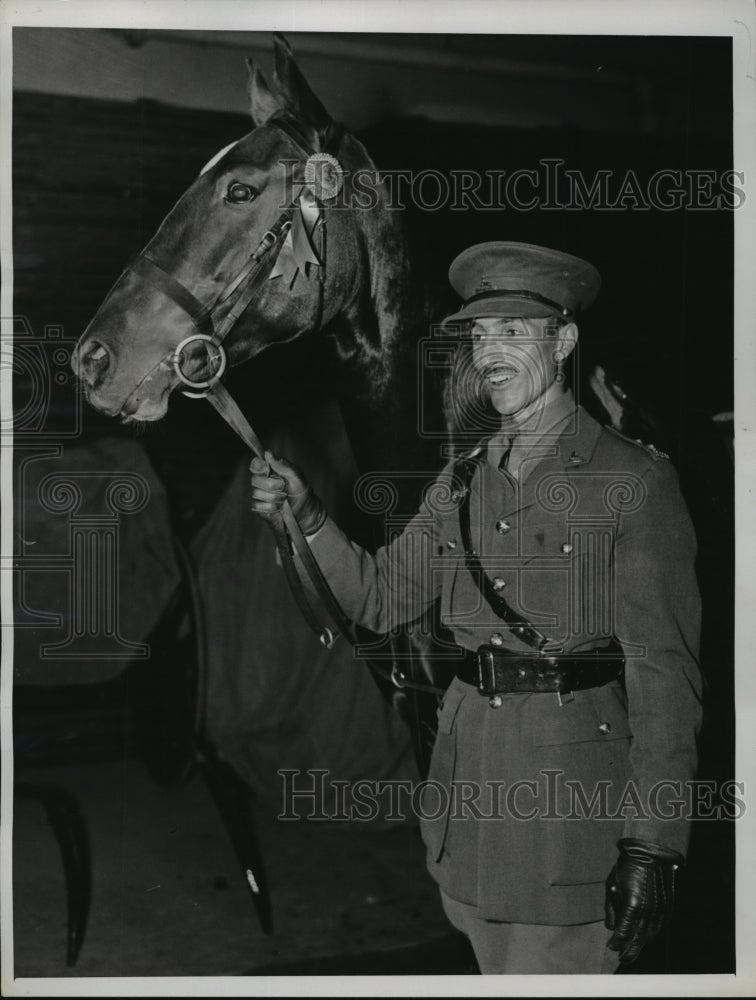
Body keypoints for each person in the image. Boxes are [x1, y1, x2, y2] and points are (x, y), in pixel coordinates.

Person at [249, 242, 703, 975]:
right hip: (469, 792)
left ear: (563, 341)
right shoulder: (461, 480)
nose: (490, 352)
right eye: (480, 335)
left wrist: (653, 844)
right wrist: (308, 516)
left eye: (514, 332)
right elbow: (379, 597)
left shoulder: (634, 480)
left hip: (570, 809)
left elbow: (666, 681)